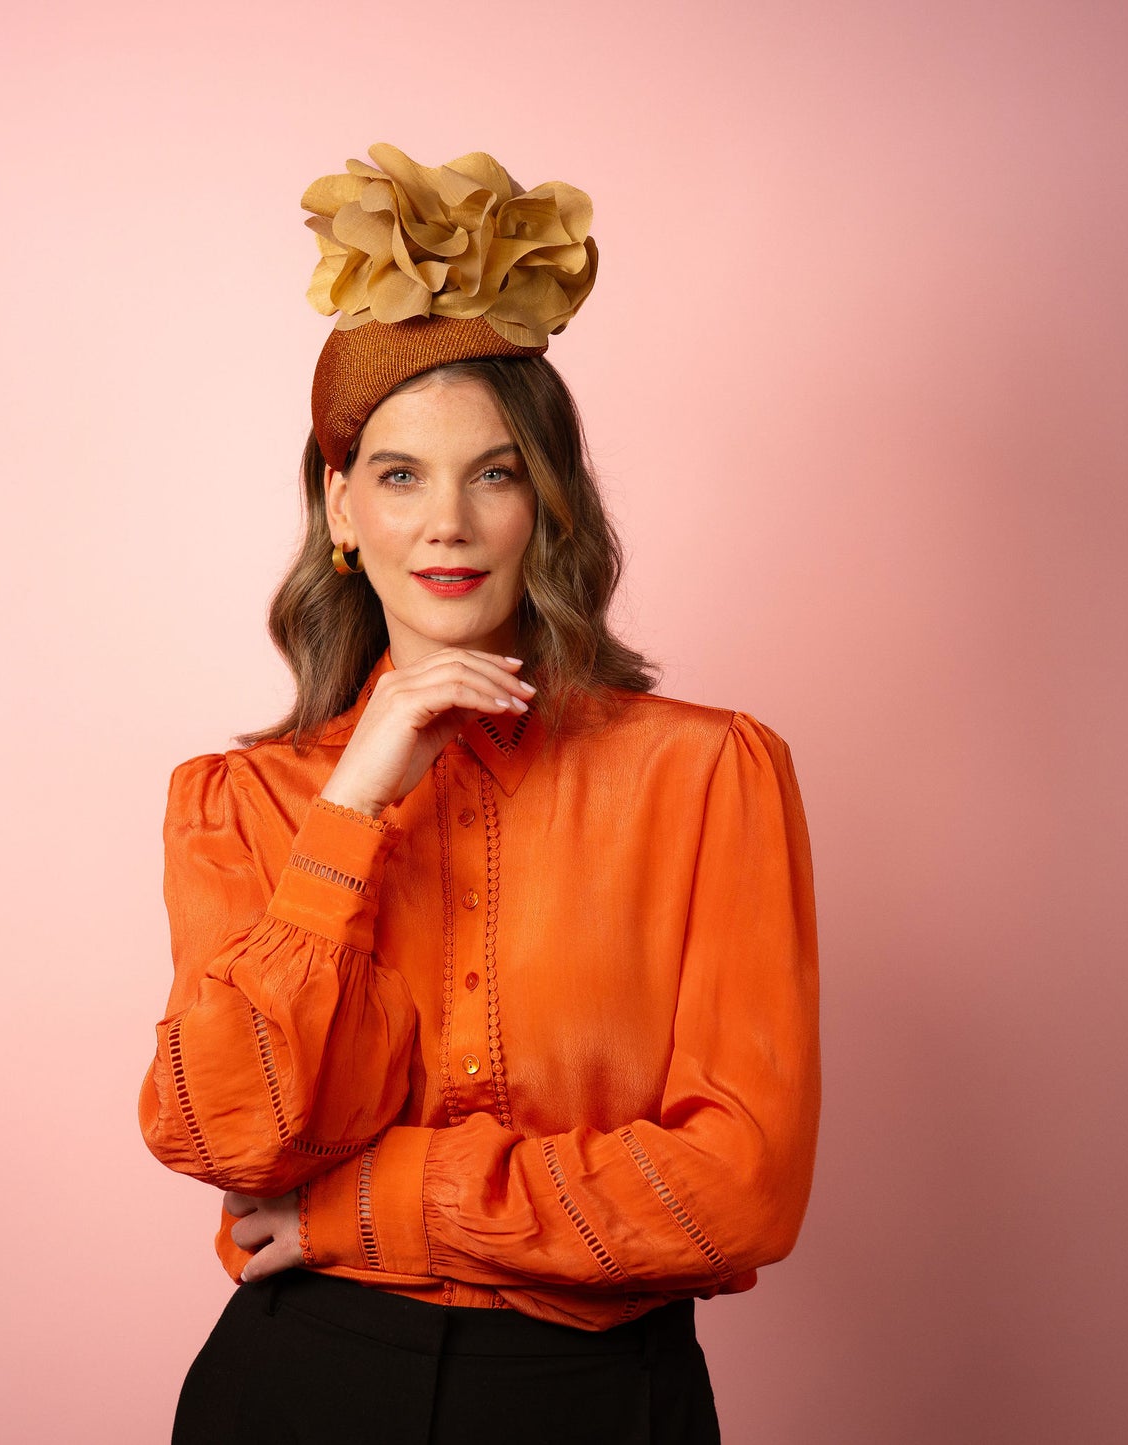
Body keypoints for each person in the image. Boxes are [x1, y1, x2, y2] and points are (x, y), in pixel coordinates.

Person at [140, 142, 821, 1445]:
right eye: (398, 474)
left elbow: (735, 1190)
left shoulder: (708, 776)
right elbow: (231, 1133)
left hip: (595, 1400)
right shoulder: (237, 803)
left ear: (546, 504)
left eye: (493, 471)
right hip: (294, 1386)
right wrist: (351, 804)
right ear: (343, 507)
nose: (444, 520)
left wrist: (367, 1202)